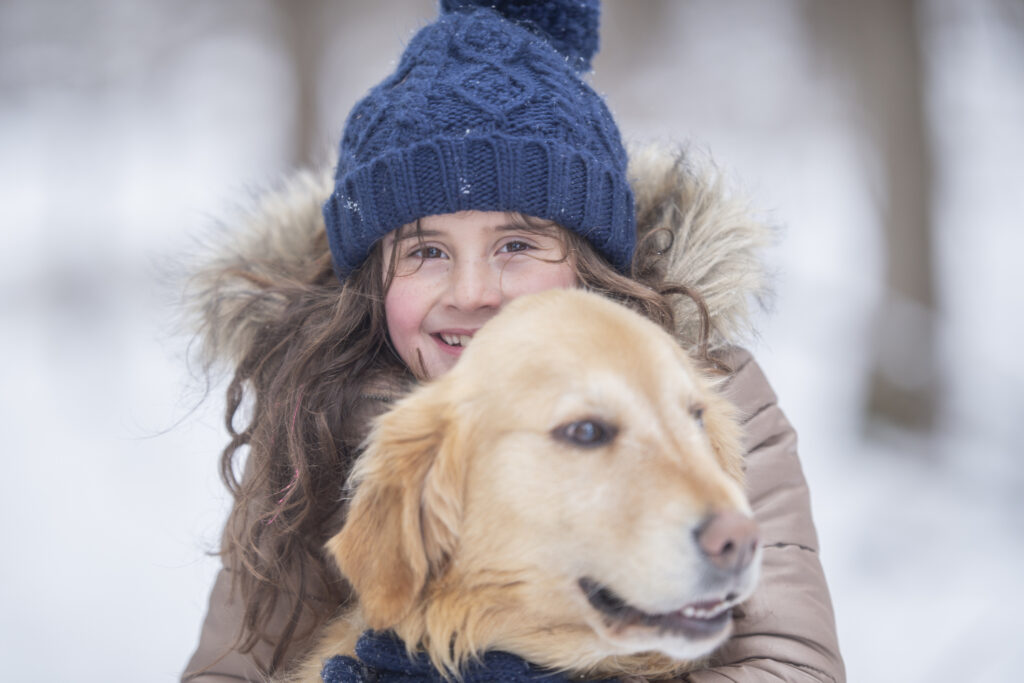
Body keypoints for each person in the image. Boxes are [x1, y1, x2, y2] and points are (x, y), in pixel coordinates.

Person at [182, 1, 845, 681]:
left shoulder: (705, 390)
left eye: (518, 243)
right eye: (427, 251)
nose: (474, 292)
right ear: (374, 282)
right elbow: (228, 667)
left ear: (586, 262)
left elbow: (790, 664)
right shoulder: (309, 412)